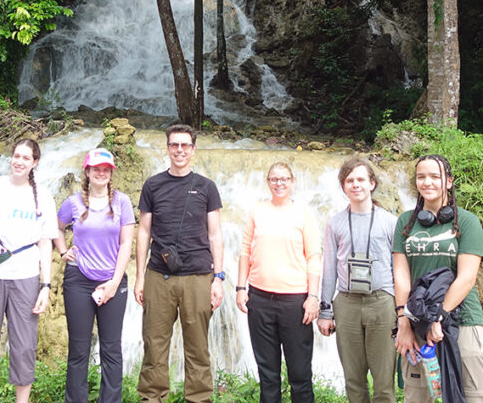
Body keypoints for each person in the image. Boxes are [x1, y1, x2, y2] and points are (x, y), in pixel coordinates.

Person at [134, 123, 224, 403]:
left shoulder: (207, 188)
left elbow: (215, 234)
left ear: (193, 149)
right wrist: (139, 277)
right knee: (154, 346)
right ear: (168, 148)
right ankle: (152, 398)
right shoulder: (153, 185)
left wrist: (218, 277)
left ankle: (198, 399)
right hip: (158, 276)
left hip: (198, 276)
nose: (180, 150)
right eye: (175, 144)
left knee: (197, 348)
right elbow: (144, 232)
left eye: (185, 145)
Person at [0, 138, 58, 403]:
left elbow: (45, 242)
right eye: (16, 156)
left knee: (25, 344)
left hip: (26, 276)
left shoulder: (44, 195)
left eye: (26, 158)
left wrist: (46, 285)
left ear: (35, 162)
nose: (19, 161)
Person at [393, 154, 483, 403]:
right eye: (421, 176)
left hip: (463, 320)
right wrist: (403, 323)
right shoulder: (406, 222)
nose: (427, 182)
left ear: (449, 181)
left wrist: (439, 316)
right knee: (418, 398)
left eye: (435, 176)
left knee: (473, 396)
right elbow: (401, 275)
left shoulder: (466, 221)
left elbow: (466, 278)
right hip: (418, 322)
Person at [236, 161, 321, 403]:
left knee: (300, 373)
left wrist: (313, 297)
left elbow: (314, 256)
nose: (279, 183)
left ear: (292, 182)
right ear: (267, 182)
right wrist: (241, 288)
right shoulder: (257, 211)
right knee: (268, 373)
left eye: (284, 179)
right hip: (260, 299)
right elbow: (244, 251)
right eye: (274, 179)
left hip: (295, 302)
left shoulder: (303, 213)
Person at [54, 148, 135, 402]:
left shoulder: (122, 202)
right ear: (87, 172)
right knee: (78, 349)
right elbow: (56, 228)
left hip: (113, 279)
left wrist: (114, 282)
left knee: (111, 348)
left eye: (106, 169)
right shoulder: (73, 202)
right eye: (96, 169)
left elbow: (126, 245)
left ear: (111, 173)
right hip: (78, 279)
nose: (101, 173)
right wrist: (63, 250)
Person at [317, 158, 397, 403]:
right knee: (354, 380)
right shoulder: (335, 223)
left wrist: (402, 310)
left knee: (384, 382)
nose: (355, 185)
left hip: (381, 301)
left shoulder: (389, 221)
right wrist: (325, 310)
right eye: (349, 180)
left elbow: (399, 268)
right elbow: (329, 268)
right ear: (343, 186)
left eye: (361, 179)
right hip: (347, 303)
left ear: (372, 184)